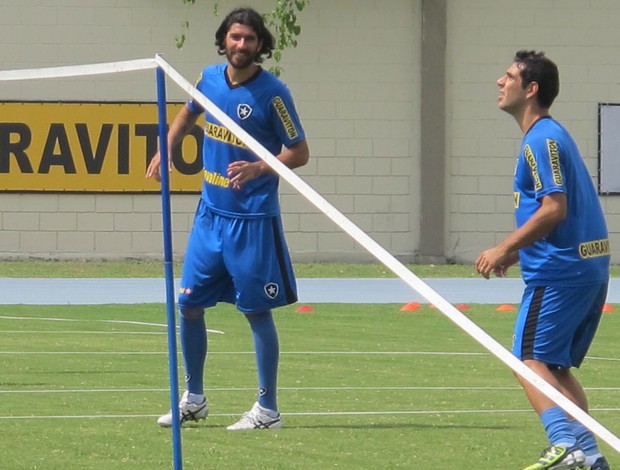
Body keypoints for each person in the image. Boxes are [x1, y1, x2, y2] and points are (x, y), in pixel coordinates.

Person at [147, 6, 309, 430]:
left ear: (260, 45)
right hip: (209, 215)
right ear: (224, 40)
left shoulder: (273, 93)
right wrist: (167, 147)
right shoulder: (208, 78)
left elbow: (299, 151)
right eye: (235, 37)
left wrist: (259, 167)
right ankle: (194, 398)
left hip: (251, 220)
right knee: (189, 304)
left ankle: (268, 410)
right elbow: (187, 112)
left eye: (249, 39)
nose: (241, 45)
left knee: (255, 311)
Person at [475, 50, 610, 470]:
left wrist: (501, 247)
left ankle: (564, 442)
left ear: (530, 89)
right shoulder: (550, 136)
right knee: (555, 367)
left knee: (526, 360)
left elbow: (555, 208)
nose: (500, 81)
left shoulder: (541, 139)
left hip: (560, 273)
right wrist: (517, 253)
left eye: (509, 76)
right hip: (586, 269)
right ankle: (590, 455)